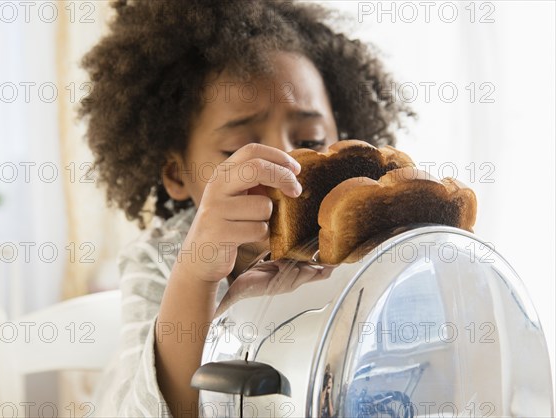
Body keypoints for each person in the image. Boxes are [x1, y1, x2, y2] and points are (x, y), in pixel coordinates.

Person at [80, 0, 412, 416]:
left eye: (310, 140)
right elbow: (161, 409)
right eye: (238, 150)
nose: (286, 162)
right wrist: (197, 274)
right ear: (177, 174)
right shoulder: (157, 262)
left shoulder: (359, 244)